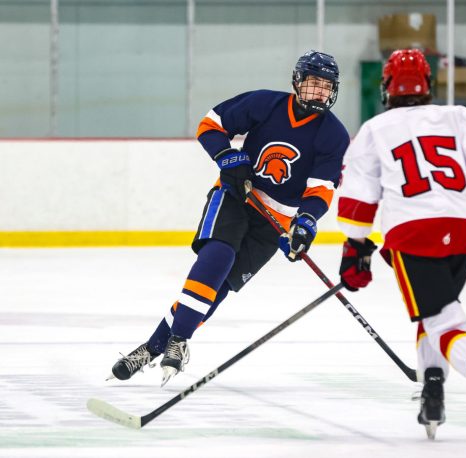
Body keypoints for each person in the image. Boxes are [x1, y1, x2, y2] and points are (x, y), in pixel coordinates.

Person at [108, 50, 349, 386]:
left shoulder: (334, 135)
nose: (319, 92)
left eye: (326, 86)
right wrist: (226, 157)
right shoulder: (266, 104)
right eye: (313, 83)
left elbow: (320, 189)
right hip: (237, 195)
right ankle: (178, 341)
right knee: (217, 256)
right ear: (297, 81)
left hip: (276, 219)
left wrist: (305, 222)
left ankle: (155, 345)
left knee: (219, 287)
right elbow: (211, 124)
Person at [335, 49, 466, 445]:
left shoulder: (374, 129)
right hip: (464, 233)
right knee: (435, 313)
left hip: (413, 237)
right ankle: (433, 394)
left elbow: (358, 197)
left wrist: (355, 248)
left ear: (387, 87)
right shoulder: (458, 116)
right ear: (429, 85)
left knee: (444, 322)